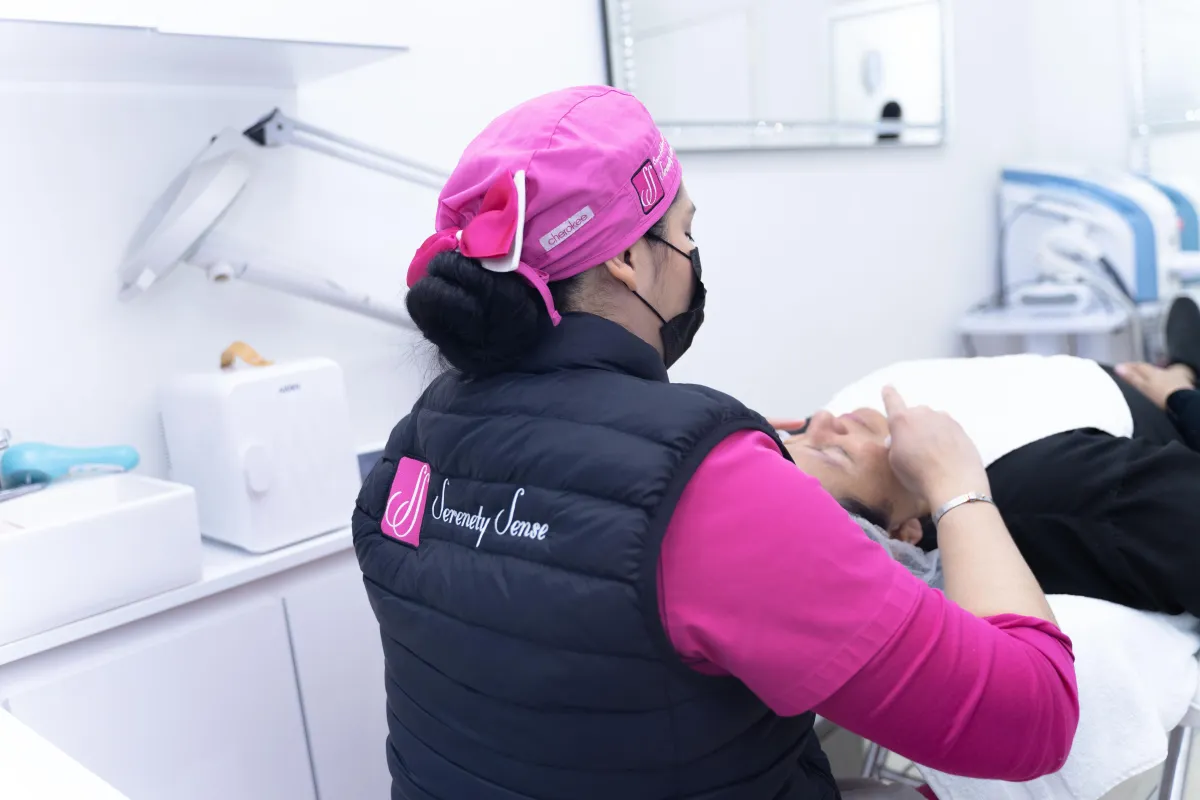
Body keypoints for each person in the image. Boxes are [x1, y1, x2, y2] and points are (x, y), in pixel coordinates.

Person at [352, 86, 1078, 800]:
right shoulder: (710, 495)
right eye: (686, 233)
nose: (692, 254)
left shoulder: (406, 457)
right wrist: (958, 485)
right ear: (628, 260)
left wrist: (745, 457)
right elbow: (1035, 717)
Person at [774, 294, 1200, 619]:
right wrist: (1180, 398)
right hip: (1158, 413)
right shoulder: (1061, 499)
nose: (827, 419)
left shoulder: (850, 462)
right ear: (902, 535)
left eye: (797, 432)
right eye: (833, 451)